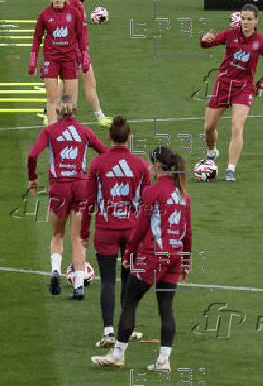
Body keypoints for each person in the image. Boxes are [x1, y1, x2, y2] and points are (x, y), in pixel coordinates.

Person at [90, 146, 192, 371]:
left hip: (154, 256)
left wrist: (128, 254)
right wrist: (186, 262)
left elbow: (140, 228)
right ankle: (164, 360)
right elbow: (188, 232)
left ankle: (118, 354)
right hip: (174, 256)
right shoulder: (184, 194)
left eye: (149, 163)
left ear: (157, 166)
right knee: (166, 308)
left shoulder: (152, 192)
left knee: (129, 301)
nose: (147, 167)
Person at [27, 94, 107, 299]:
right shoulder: (84, 131)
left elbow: (33, 155)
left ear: (56, 111)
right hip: (81, 187)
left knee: (57, 236)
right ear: (75, 111)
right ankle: (79, 285)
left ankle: (56, 271)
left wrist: (33, 177)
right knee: (78, 238)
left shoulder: (49, 131)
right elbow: (104, 153)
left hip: (59, 188)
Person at [81, 116, 151, 347]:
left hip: (105, 229)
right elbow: (147, 204)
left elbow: (89, 201)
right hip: (132, 231)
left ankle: (109, 332)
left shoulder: (98, 164)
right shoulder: (140, 165)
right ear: (129, 138)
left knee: (108, 281)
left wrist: (83, 233)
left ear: (109, 137)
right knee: (129, 280)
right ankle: (126, 329)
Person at [200, 3, 263, 181]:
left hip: (244, 88)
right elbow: (208, 44)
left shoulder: (262, 42)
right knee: (208, 128)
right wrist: (205, 40)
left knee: (237, 126)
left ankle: (230, 170)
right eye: (243, 18)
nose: (245, 22)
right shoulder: (229, 35)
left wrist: (262, 83)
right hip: (223, 85)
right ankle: (212, 153)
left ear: (256, 20)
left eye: (249, 19)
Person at [29, 0, 90, 126]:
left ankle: (67, 130)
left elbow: (81, 37)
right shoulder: (44, 15)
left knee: (70, 100)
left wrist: (84, 58)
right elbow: (37, 38)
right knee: (52, 97)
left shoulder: (74, 13)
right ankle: (52, 133)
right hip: (51, 59)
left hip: (69, 59)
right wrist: (33, 61)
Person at [64, 0, 112, 128]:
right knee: (69, 87)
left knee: (89, 82)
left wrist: (85, 45)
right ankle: (55, 115)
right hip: (73, 51)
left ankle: (100, 117)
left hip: (80, 50)